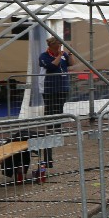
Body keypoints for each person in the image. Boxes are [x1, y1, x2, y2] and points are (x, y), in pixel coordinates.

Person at [38, 35, 70, 167]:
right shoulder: (44, 56)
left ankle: (57, 128)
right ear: (52, 45)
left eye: (61, 45)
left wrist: (69, 54)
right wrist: (59, 56)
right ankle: (49, 127)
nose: (60, 47)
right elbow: (51, 67)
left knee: (59, 107)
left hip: (62, 87)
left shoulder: (63, 54)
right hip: (49, 88)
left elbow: (71, 63)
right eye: (58, 45)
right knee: (50, 107)